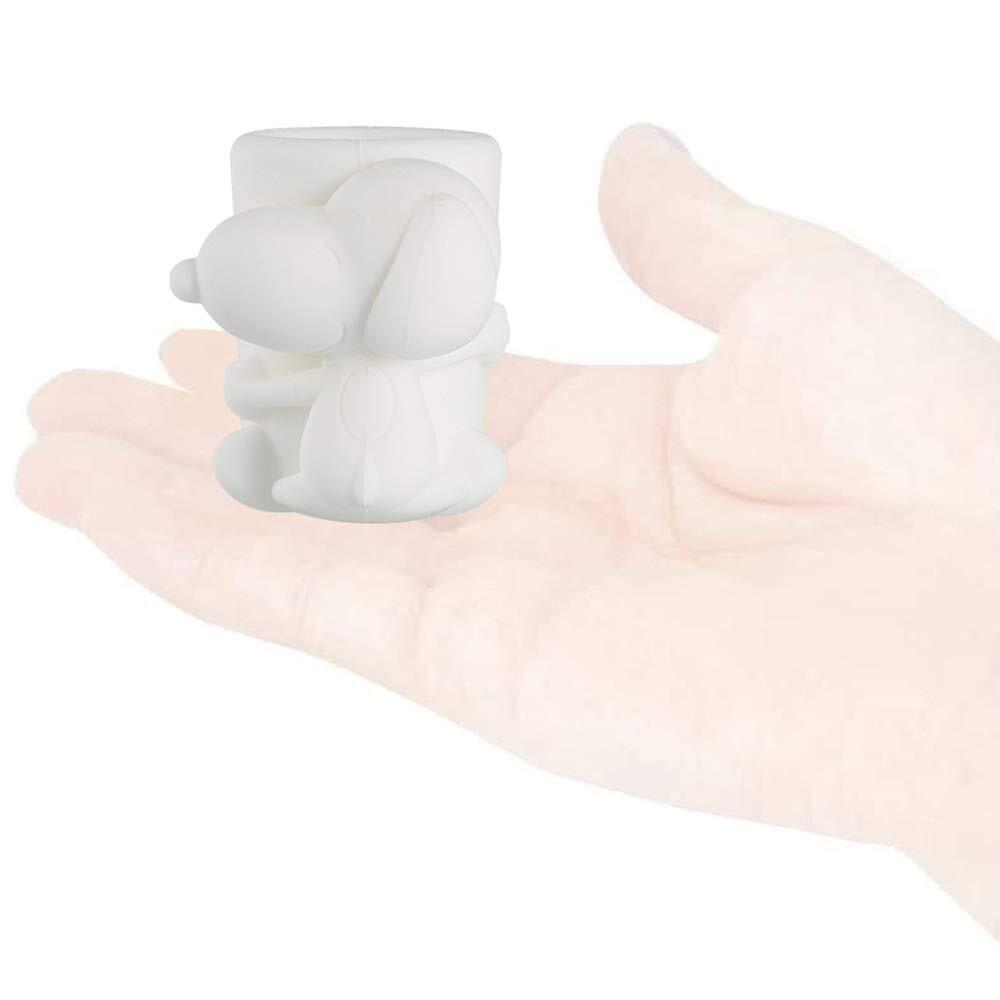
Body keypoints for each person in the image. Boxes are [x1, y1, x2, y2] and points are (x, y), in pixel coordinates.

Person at [17, 124, 999, 937]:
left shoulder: (425, 283)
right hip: (342, 451)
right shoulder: (369, 310)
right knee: (298, 448)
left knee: (371, 449)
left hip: (396, 450)